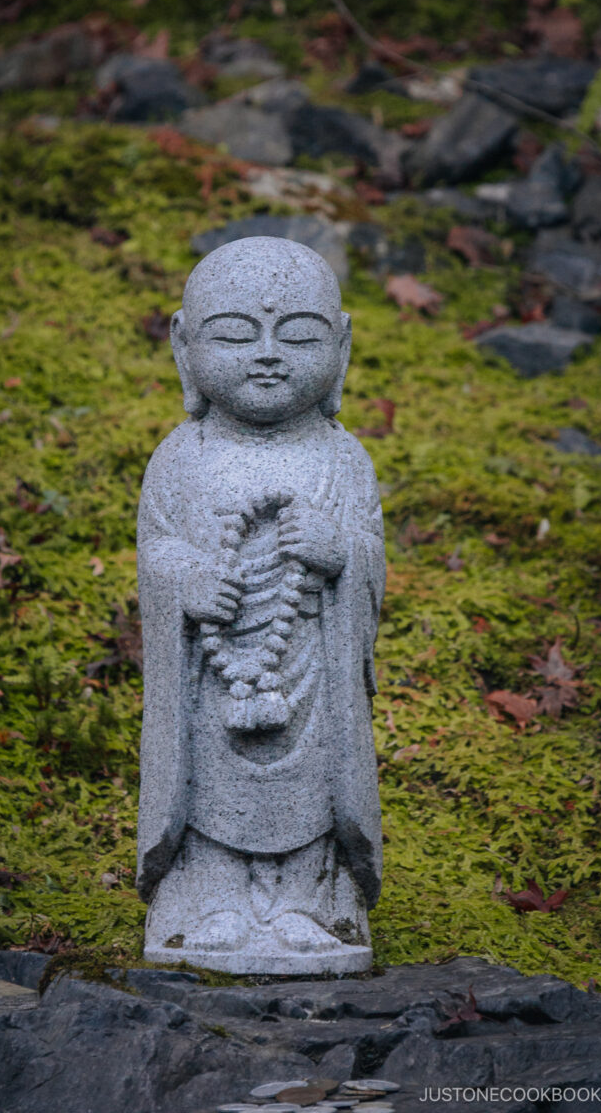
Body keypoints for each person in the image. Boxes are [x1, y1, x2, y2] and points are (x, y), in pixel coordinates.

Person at [136, 236, 385, 972]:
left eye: (300, 336)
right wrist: (184, 583)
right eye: (237, 335)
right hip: (215, 672)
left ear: (340, 349)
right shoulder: (182, 457)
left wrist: (340, 552)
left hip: (311, 669)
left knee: (312, 780)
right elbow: (157, 548)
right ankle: (208, 898)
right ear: (185, 348)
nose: (269, 355)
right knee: (212, 775)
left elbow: (369, 559)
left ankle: (310, 905)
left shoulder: (344, 458)